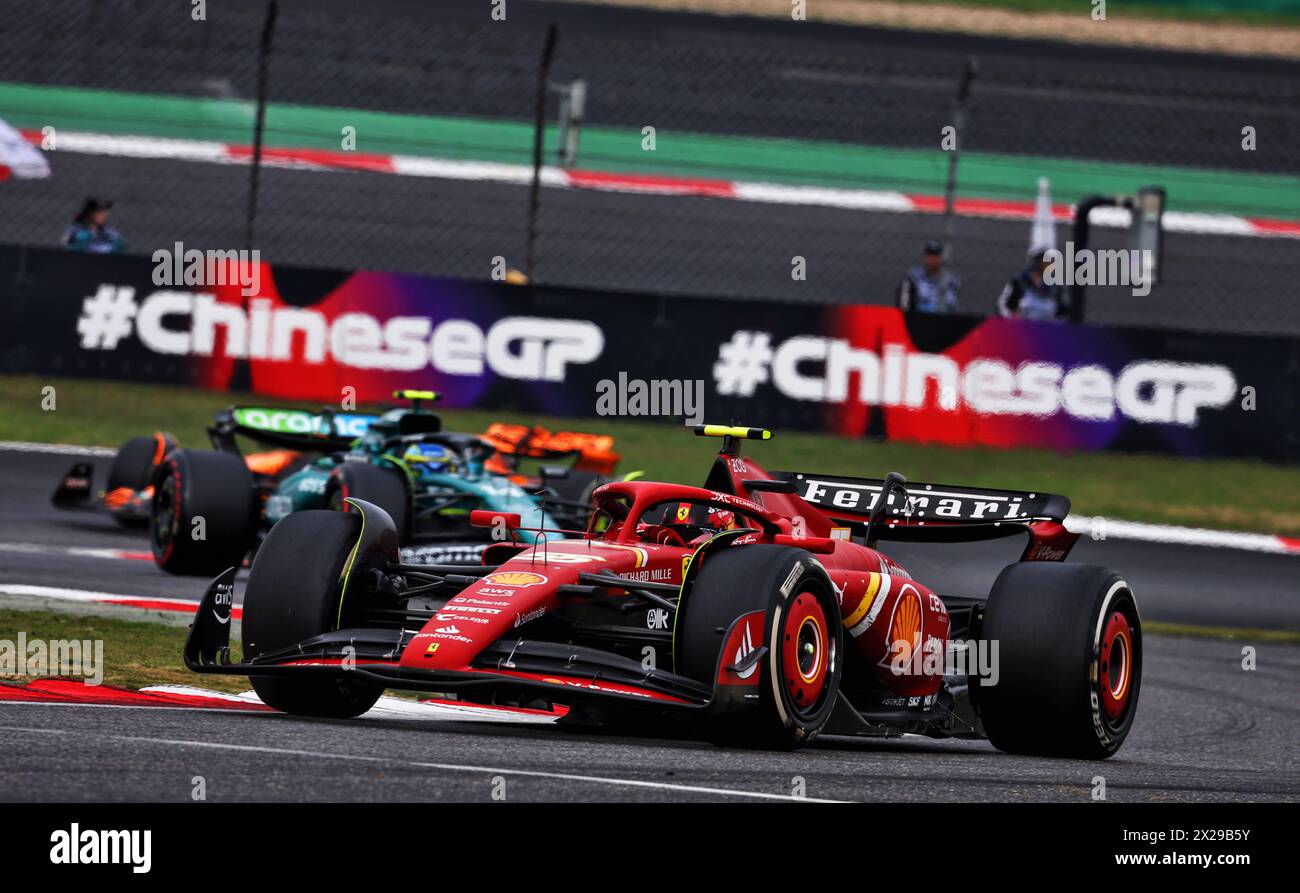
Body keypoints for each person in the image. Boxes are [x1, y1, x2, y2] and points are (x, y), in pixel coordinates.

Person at [997, 249, 1067, 321]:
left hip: (1046, 328)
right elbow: (1003, 305)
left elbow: (1062, 313)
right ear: (1038, 263)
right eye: (1048, 263)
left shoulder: (1054, 288)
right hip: (1022, 326)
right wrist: (1012, 317)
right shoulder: (1019, 282)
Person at [897, 240, 959, 314]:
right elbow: (905, 298)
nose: (932, 259)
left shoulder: (951, 279)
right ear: (925, 257)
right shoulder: (914, 275)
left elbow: (951, 302)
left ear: (941, 258)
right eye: (929, 255)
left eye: (936, 255)